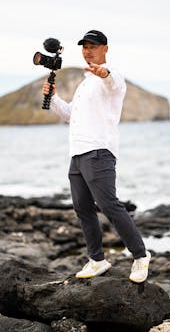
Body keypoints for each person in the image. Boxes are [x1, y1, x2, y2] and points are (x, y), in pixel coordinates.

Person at [42, 30, 151, 283]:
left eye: (93, 46)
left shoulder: (112, 77)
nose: (88, 50)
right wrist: (54, 97)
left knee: (109, 205)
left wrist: (105, 74)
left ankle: (140, 256)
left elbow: (112, 81)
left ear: (105, 48)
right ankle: (97, 260)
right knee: (82, 208)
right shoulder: (84, 83)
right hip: (77, 153)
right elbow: (72, 116)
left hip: (99, 151)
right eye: (85, 47)